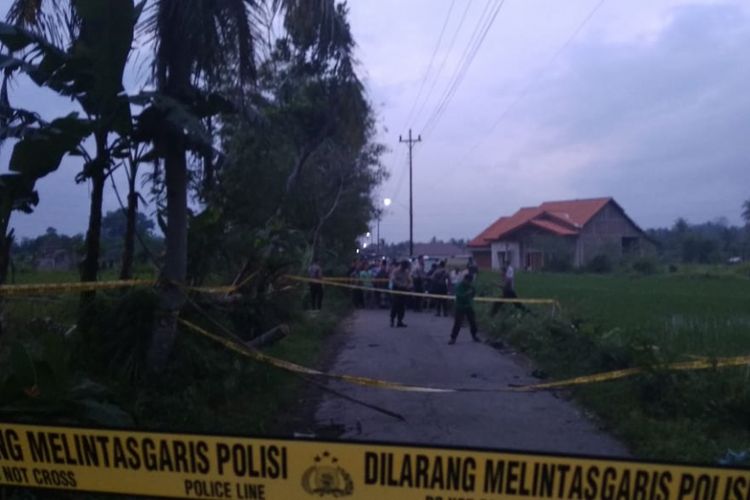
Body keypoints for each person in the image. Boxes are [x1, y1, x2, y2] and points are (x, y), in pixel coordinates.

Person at [449, 273, 479, 344]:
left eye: (470, 281)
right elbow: (459, 296)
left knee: (473, 322)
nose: (469, 283)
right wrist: (467, 294)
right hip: (460, 306)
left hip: (468, 306)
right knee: (458, 323)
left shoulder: (470, 286)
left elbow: (473, 293)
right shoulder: (459, 286)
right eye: (468, 281)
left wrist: (472, 293)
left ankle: (474, 335)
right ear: (465, 280)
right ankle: (453, 338)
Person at [390, 260, 412, 327]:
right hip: (397, 289)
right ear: (402, 266)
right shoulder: (395, 271)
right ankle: (392, 320)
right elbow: (393, 280)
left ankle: (400, 321)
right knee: (395, 305)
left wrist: (409, 285)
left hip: (404, 290)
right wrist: (401, 285)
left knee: (402, 306)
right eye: (405, 266)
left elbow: (410, 280)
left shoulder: (406, 272)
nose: (406, 268)